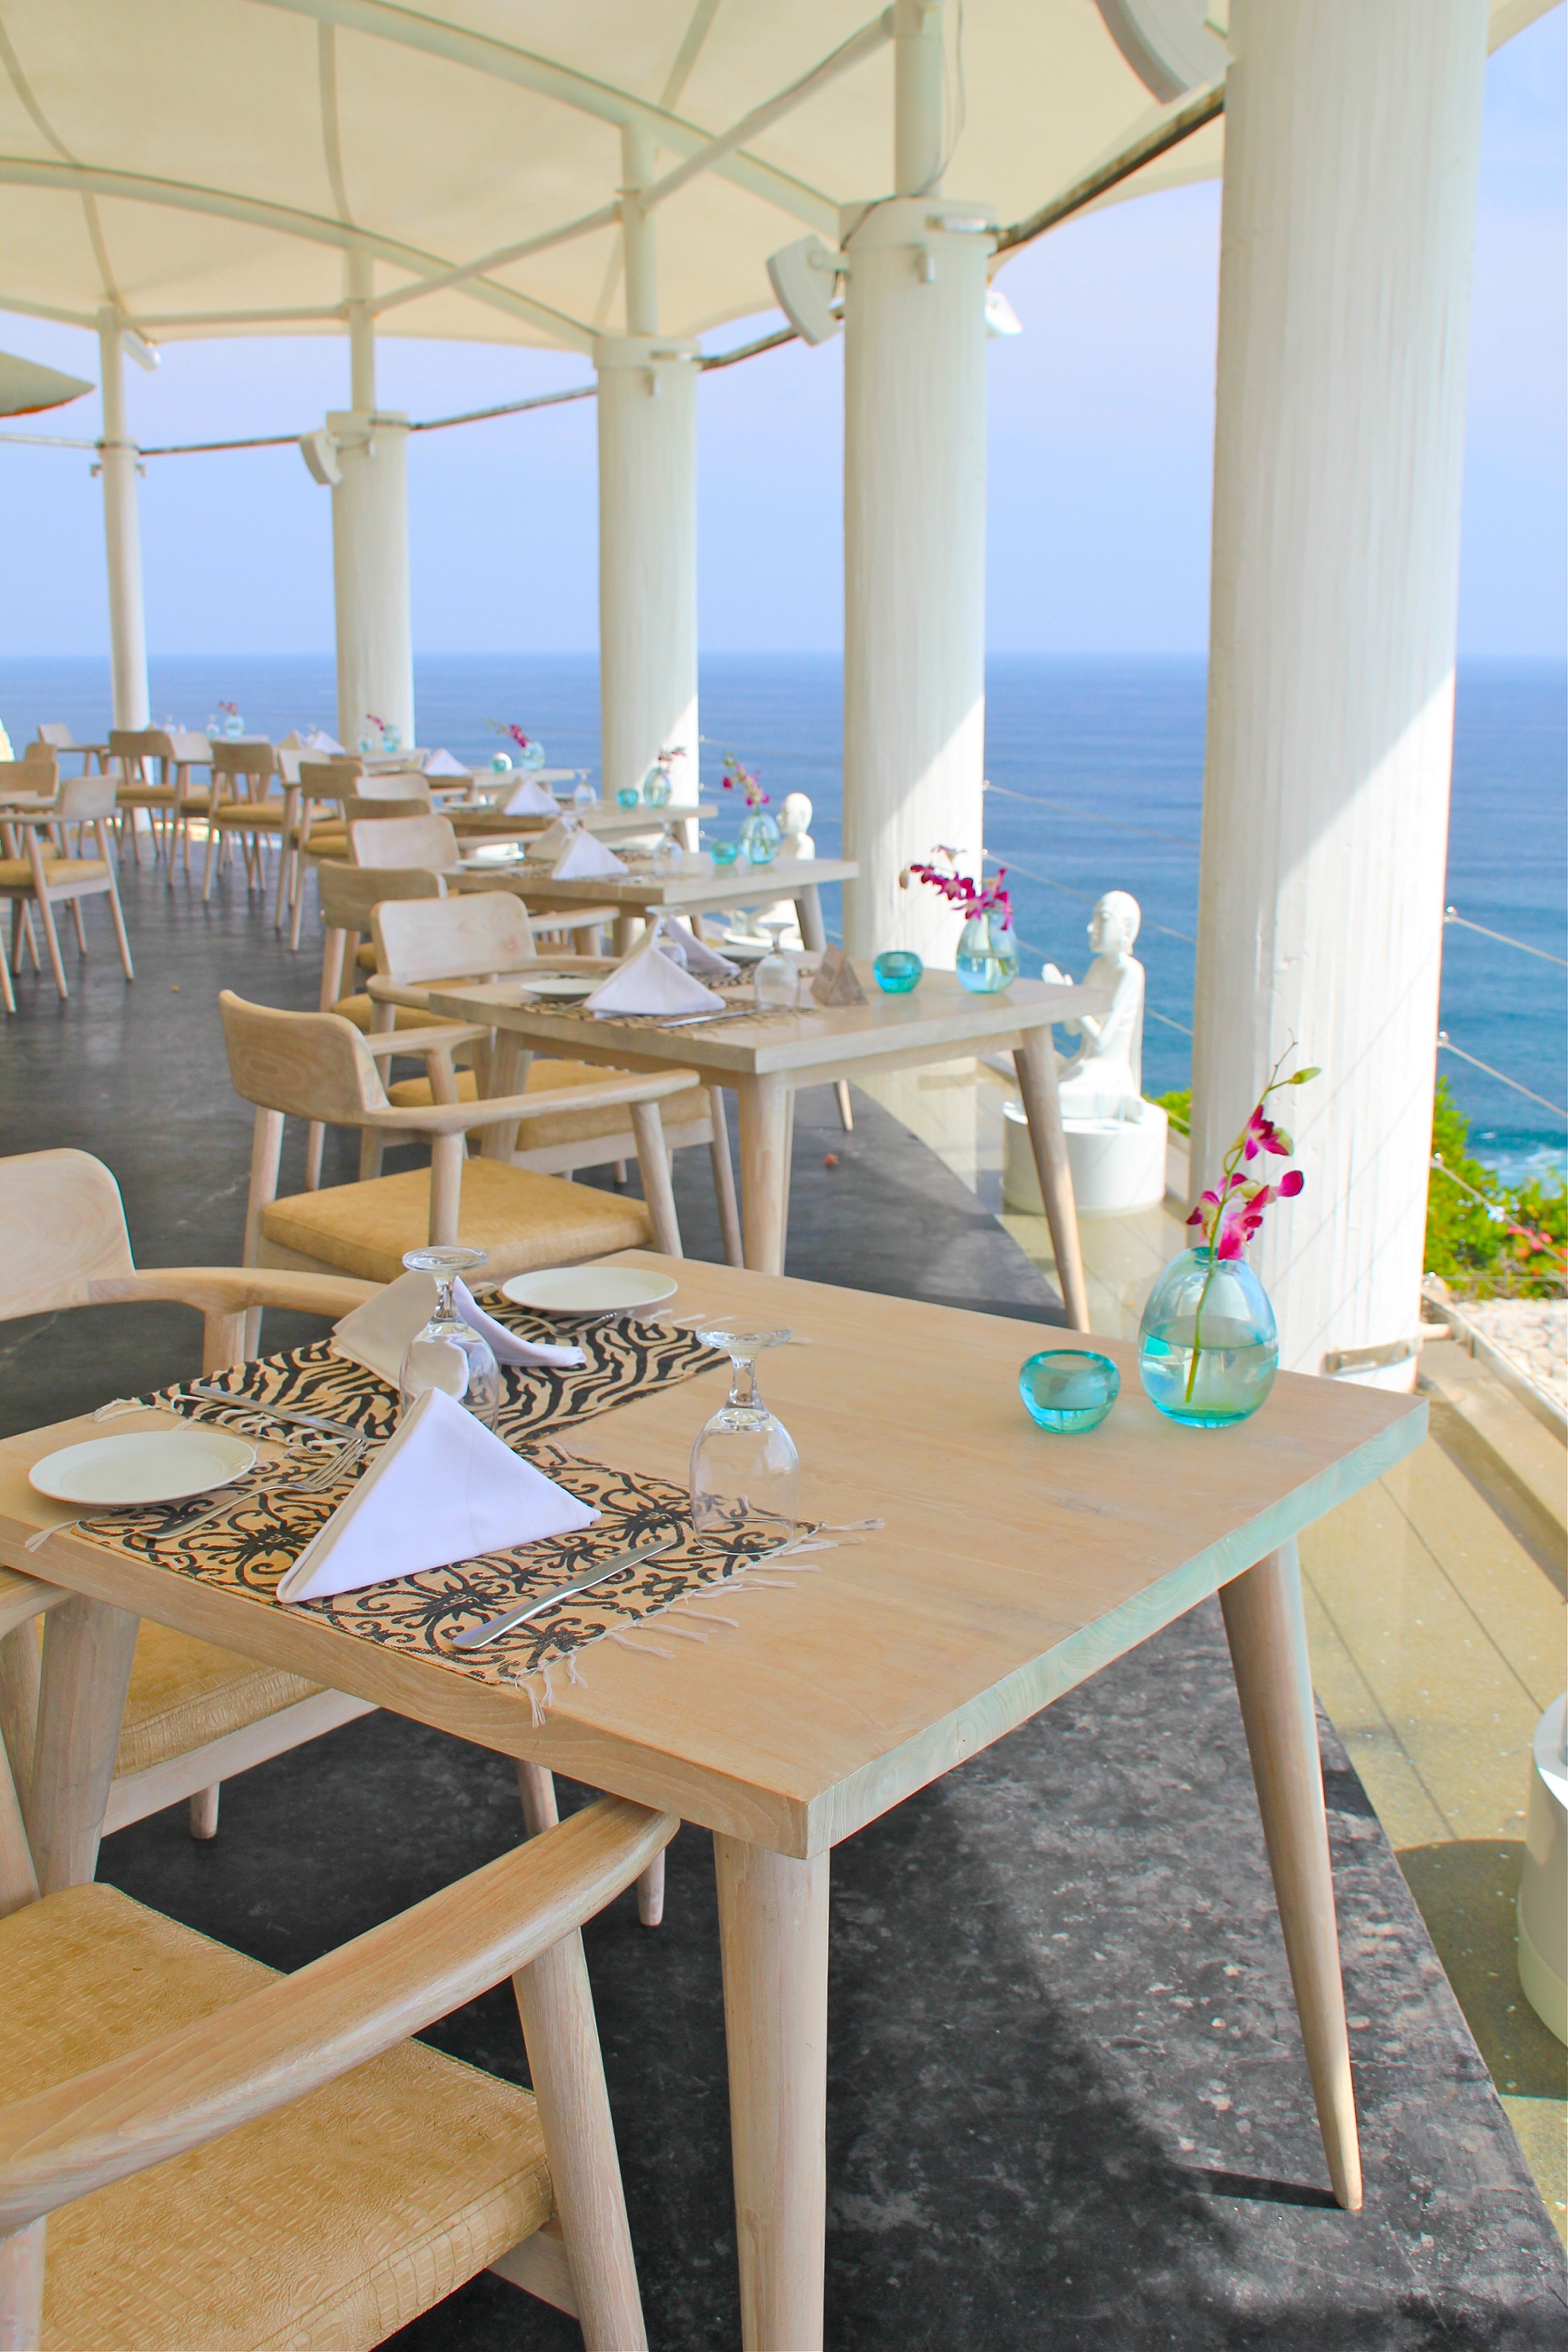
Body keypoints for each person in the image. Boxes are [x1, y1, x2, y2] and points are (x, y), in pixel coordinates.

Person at [1041, 890, 1146, 1119]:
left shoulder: (1130, 972)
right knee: (1034, 1083)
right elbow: (1073, 1029)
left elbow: (1101, 1041)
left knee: (1048, 1098)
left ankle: (1120, 1101)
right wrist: (1065, 998)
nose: (1091, 928)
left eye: (1103, 919)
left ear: (1126, 927)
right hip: (1084, 1063)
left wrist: (1073, 1001)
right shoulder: (1098, 966)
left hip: (1108, 1073)